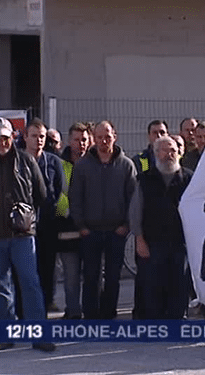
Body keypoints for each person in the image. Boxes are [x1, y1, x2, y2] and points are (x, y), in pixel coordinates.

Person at [0, 117, 55, 352]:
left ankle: (40, 335)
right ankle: (4, 335)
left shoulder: (26, 160)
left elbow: (42, 194)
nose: (2, 142)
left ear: (13, 137)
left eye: (6, 137)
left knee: (30, 284)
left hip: (23, 236)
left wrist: (25, 214)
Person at [69, 120, 137, 319]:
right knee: (91, 276)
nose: (103, 141)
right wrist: (81, 225)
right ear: (94, 139)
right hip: (90, 231)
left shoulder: (126, 165)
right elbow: (75, 198)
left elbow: (133, 199)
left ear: (114, 136)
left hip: (117, 231)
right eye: (99, 137)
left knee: (113, 278)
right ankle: (91, 315)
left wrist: (126, 224)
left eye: (107, 137)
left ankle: (108, 314)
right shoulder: (82, 166)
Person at [129, 136, 192, 319]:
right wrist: (139, 239)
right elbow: (135, 212)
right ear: (156, 153)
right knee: (152, 287)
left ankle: (177, 321)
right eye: (165, 150)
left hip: (181, 244)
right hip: (152, 244)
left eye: (173, 150)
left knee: (179, 286)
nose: (169, 154)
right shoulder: (144, 179)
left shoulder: (189, 178)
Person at [23, 118, 66, 313]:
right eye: (34, 136)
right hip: (23, 227)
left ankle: (47, 302)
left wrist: (55, 215)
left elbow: (61, 193)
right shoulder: (18, 160)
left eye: (41, 137)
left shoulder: (53, 162)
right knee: (24, 269)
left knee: (48, 266)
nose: (38, 141)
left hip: (48, 225)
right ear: (25, 137)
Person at [55, 122, 90, 320]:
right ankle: (73, 312)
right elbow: (57, 197)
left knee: (92, 276)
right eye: (76, 140)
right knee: (71, 276)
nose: (80, 144)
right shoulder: (60, 164)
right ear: (69, 141)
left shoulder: (95, 163)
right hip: (67, 228)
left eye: (84, 139)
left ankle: (92, 311)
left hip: (92, 229)